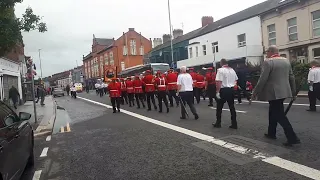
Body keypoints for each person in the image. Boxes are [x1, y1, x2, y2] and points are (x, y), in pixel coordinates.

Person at [252, 45, 300, 146]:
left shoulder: (268, 62)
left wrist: (255, 92)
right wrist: (293, 92)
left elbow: (262, 79)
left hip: (273, 93)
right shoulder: (286, 61)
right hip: (284, 91)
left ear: (270, 51)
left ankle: (292, 137)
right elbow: (291, 77)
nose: (266, 53)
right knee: (273, 111)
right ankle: (271, 132)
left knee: (279, 115)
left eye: (267, 52)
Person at [213, 59, 238, 129]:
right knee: (232, 107)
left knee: (219, 107)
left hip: (223, 90)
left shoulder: (220, 70)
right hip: (231, 89)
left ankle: (218, 122)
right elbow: (236, 80)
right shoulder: (232, 70)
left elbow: (218, 82)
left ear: (221, 63)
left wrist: (217, 91)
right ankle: (234, 123)